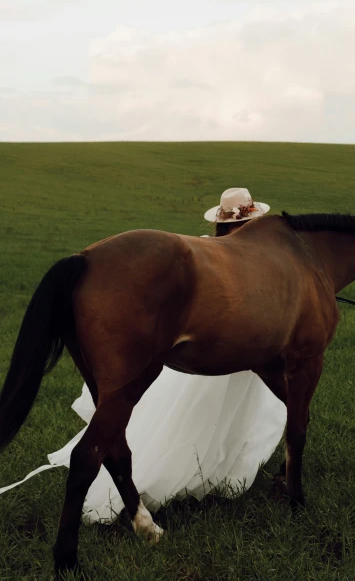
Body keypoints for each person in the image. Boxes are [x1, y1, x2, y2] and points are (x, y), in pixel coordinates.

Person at [0, 188, 287, 525]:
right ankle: (186, 472)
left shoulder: (235, 258)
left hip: (221, 353)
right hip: (215, 353)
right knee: (202, 415)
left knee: (225, 415)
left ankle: (214, 466)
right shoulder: (223, 261)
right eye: (249, 223)